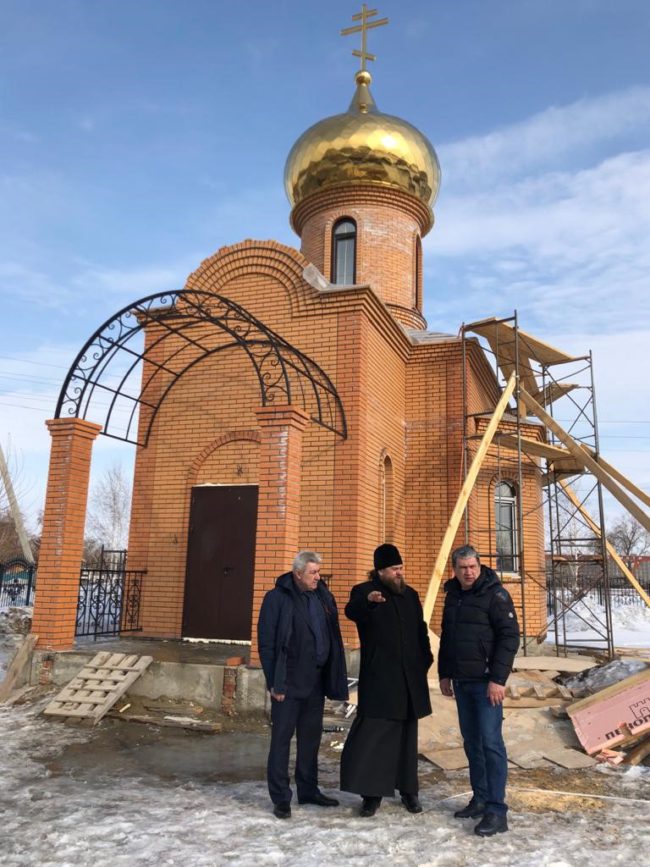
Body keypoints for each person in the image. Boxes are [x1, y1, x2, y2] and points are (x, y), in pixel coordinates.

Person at [340, 543, 433, 817]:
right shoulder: (364, 592)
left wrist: (425, 658)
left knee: (407, 738)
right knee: (375, 738)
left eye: (401, 568)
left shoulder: (410, 594)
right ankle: (371, 795)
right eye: (394, 569)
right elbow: (352, 611)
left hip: (409, 680)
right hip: (380, 680)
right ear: (380, 571)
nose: (399, 573)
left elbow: (420, 629)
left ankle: (409, 791)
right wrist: (369, 602)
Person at [257, 550, 348, 819]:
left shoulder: (322, 596)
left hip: (316, 682)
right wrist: (274, 682)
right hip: (288, 682)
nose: (318, 577)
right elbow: (267, 643)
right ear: (298, 574)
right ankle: (281, 798)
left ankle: (308, 790)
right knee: (282, 740)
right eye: (313, 572)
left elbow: (332, 635)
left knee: (310, 739)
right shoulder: (277, 598)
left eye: (319, 572)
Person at [438, 544, 520, 836]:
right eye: (463, 568)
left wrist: (498, 679)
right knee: (472, 743)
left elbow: (510, 636)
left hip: (487, 685)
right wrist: (444, 673)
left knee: (491, 743)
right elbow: (447, 636)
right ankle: (481, 798)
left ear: (479, 566)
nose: (469, 572)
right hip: (462, 683)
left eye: (473, 567)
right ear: (455, 570)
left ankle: (497, 811)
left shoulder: (496, 595)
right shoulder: (453, 595)